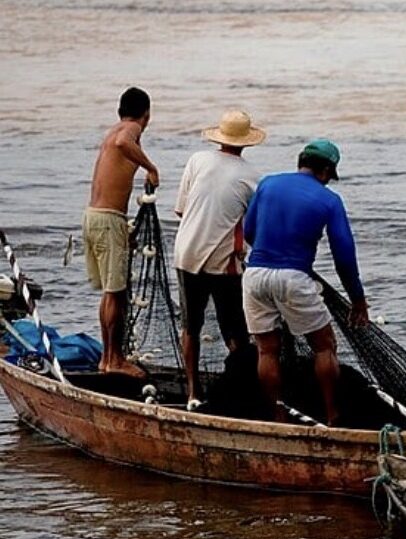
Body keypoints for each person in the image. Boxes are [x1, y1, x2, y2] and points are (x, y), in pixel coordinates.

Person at [242, 139, 368, 426]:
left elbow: (249, 231)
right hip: (294, 278)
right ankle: (332, 414)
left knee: (267, 350)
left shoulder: (268, 183)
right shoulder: (329, 200)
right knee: (324, 346)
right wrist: (357, 299)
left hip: (255, 273)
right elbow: (344, 257)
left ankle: (278, 415)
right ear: (325, 170)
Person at [173, 110, 265, 409]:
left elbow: (181, 210)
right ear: (246, 142)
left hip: (185, 253)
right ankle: (238, 391)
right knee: (235, 330)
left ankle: (192, 392)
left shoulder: (197, 160)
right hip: (222, 262)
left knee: (191, 326)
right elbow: (252, 227)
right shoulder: (252, 177)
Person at [83, 87, 159, 378]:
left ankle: (108, 358)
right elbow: (123, 141)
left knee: (111, 293)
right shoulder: (129, 130)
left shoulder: (113, 129)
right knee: (116, 293)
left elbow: (118, 145)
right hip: (106, 220)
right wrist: (151, 168)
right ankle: (114, 360)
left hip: (94, 217)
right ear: (146, 114)